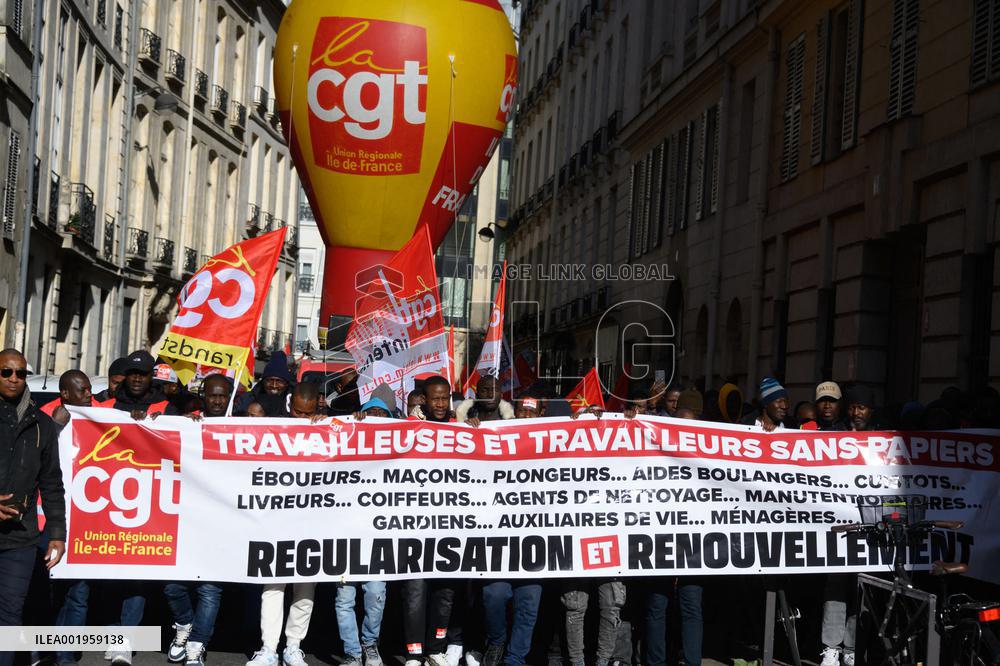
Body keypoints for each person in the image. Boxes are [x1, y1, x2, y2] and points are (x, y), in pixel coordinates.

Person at [247, 383, 325, 666]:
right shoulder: (275, 426)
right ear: (291, 405)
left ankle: (293, 646)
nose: (303, 419)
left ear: (317, 406)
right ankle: (268, 647)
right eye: (298, 412)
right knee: (273, 585)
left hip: (311, 521)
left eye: (308, 413)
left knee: (306, 587)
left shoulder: (327, 428)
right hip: (277, 520)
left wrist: (327, 425)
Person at [0, 349, 66, 666]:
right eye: (6, 372)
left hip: (20, 538)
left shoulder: (42, 425)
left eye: (21, 373)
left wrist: (56, 533)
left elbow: (51, 483)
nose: (14, 378)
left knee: (11, 614)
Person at [164, 374, 232, 665]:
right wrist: (150, 420)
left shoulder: (243, 427)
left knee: (209, 589)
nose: (217, 401)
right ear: (203, 395)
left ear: (230, 398)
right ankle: (185, 625)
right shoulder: (186, 423)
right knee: (172, 585)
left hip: (221, 525)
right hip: (185, 521)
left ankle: (197, 643)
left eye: (222, 396)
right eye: (213, 395)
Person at [479, 401, 543, 666]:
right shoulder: (498, 433)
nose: (526, 415)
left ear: (541, 415)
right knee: (494, 595)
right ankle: (496, 641)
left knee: (528, 603)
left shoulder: (555, 439)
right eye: (522, 410)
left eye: (532, 411)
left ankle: (515, 657)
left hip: (536, 542)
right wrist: (474, 430)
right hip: (500, 541)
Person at [335, 392, 394, 666]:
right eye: (371, 412)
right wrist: (350, 425)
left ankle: (370, 644)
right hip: (347, 536)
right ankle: (352, 652)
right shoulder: (348, 438)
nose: (377, 419)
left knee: (374, 594)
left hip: (378, 539)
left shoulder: (397, 448)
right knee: (344, 598)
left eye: (383, 415)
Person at [402, 376, 457, 666]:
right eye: (435, 398)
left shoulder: (461, 428)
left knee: (445, 592)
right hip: (415, 527)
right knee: (415, 592)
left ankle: (435, 648)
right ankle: (414, 652)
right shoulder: (408, 429)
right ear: (423, 399)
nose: (440, 404)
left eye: (445, 398)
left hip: (449, 527)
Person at [97, 350, 174, 418]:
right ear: (126, 375)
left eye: (143, 374)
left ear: (152, 375)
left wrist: (163, 421)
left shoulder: (167, 409)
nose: (137, 379)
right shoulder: (104, 408)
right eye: (132, 373)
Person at [236, 352, 293, 417]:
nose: (274, 385)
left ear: (286, 383)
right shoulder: (247, 399)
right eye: (270, 380)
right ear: (263, 381)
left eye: (279, 381)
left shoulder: (294, 400)